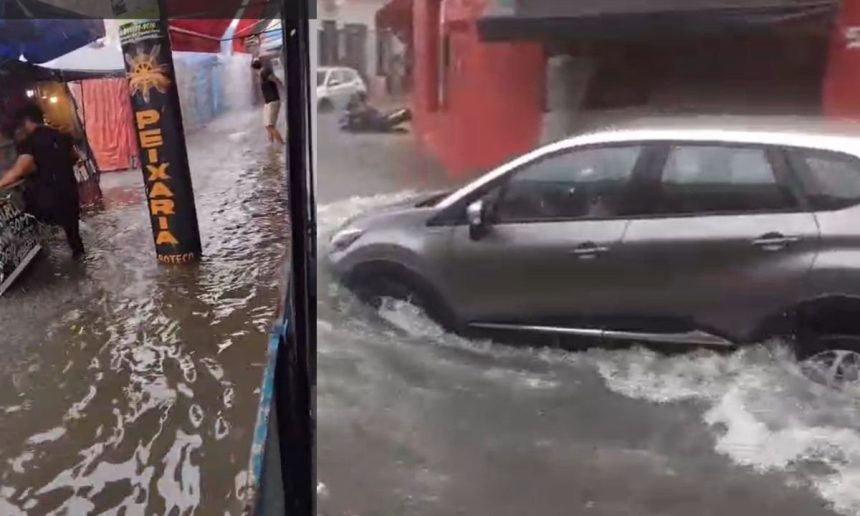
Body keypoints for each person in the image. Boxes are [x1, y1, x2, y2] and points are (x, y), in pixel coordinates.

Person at [0, 105, 84, 258]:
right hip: (69, 193)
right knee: (74, 238)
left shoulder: (30, 142)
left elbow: (18, 172)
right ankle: (81, 264)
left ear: (26, 121)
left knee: (26, 222)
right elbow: (75, 157)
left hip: (47, 199)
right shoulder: (62, 135)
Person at [251, 58, 285, 145]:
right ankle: (271, 143)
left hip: (273, 101)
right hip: (269, 102)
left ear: (254, 68)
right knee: (267, 125)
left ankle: (282, 143)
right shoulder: (262, 73)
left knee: (269, 125)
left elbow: (274, 79)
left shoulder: (264, 72)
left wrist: (282, 86)